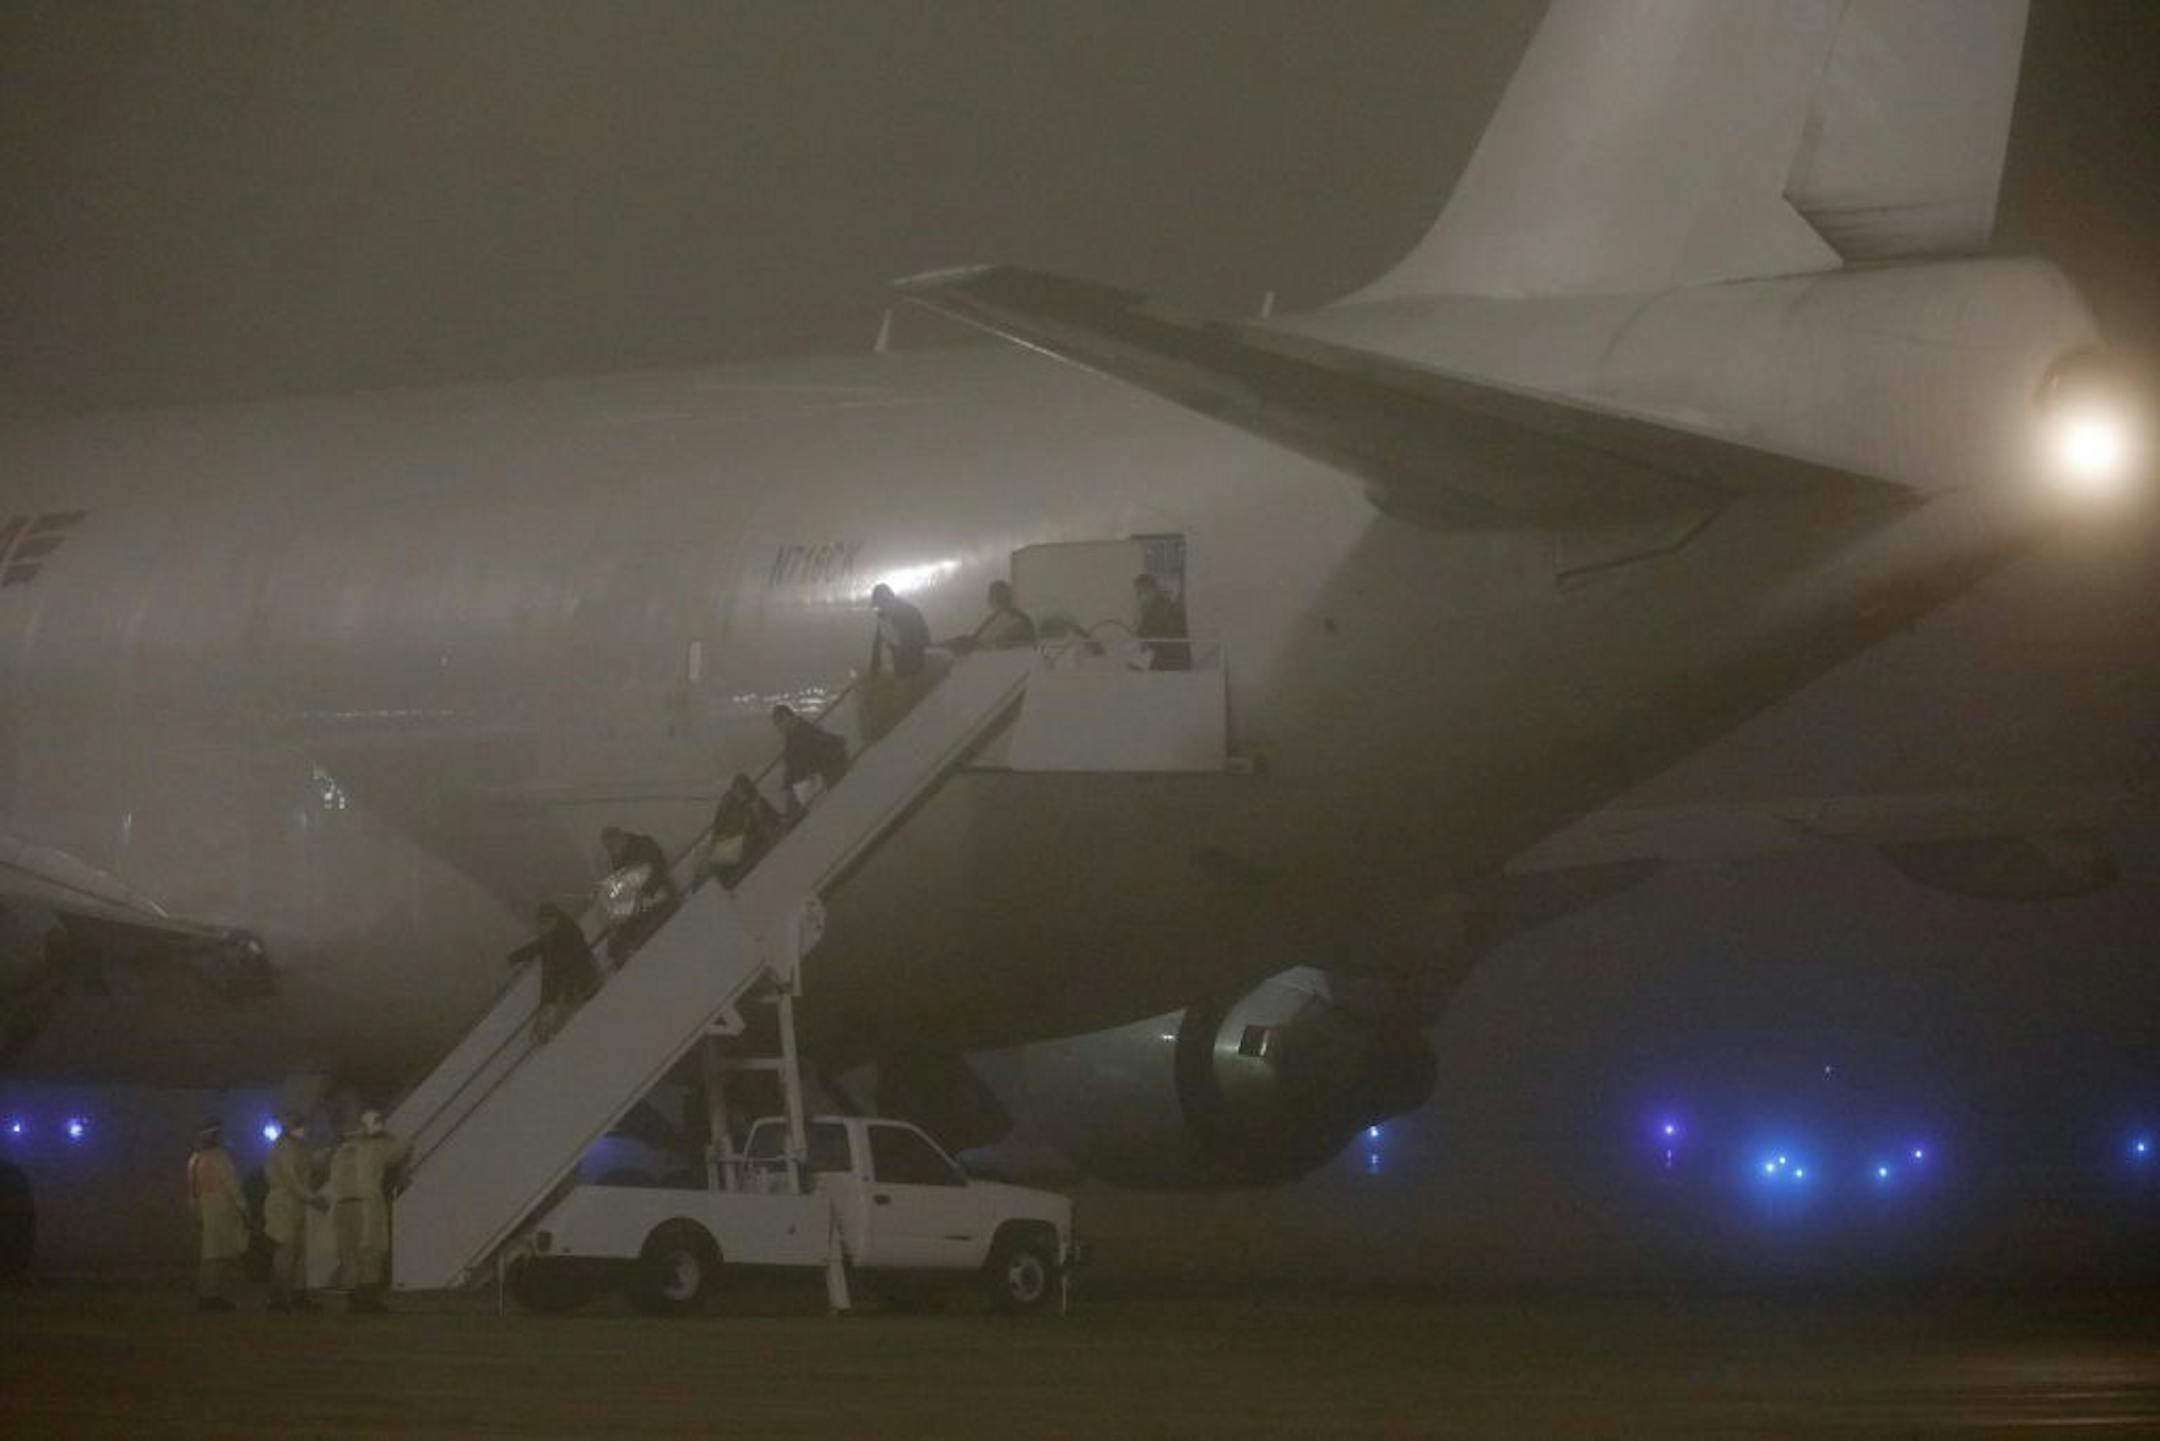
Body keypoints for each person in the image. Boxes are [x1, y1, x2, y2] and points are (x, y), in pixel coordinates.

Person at [328, 1109, 410, 1313]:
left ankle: (353, 1300)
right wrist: (385, 1135)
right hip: (366, 1205)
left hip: (341, 1206)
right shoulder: (376, 1147)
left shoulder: (341, 1151)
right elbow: (404, 1147)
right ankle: (367, 1300)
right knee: (372, 1250)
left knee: (349, 1254)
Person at [506, 902, 599, 1042]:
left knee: (562, 1001)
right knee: (552, 998)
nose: (544, 926)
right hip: (562, 981)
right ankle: (548, 1022)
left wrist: (556, 975)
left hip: (579, 979)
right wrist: (516, 957)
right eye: (542, 923)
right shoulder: (550, 936)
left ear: (555, 918)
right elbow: (536, 947)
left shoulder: (568, 931)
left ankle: (553, 1023)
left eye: (546, 921)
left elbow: (574, 956)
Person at [262, 1109, 327, 1311]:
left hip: (296, 1202)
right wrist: (314, 1198)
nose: (304, 1127)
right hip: (284, 1202)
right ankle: (280, 1297)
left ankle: (297, 1296)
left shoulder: (298, 1146)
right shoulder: (285, 1147)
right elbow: (292, 1180)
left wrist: (328, 1152)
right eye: (299, 1123)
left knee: (298, 1252)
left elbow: (308, 1165)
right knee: (286, 1251)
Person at [186, 1118, 249, 1311]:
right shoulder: (220, 1157)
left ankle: (208, 1293)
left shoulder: (195, 1159)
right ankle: (210, 1295)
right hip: (221, 1210)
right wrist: (243, 1208)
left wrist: (195, 1210)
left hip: (203, 1208)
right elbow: (232, 1184)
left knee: (210, 1253)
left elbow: (192, 1190)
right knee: (216, 1254)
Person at [598, 825, 679, 966]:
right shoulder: (620, 861)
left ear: (621, 837)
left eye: (611, 846)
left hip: (661, 901)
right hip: (647, 906)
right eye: (608, 849)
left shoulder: (643, 845)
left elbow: (658, 870)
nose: (611, 852)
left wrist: (642, 893)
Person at [866, 582, 934, 740]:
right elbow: (878, 646)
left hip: (909, 670)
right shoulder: (887, 617)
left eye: (879, 605)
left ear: (886, 601)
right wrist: (873, 671)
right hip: (896, 671)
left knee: (900, 707)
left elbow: (919, 641)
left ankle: (895, 736)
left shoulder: (906, 614)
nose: (878, 610)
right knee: (888, 704)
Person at [703, 772, 783, 889]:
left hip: (746, 848)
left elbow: (774, 819)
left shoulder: (757, 803)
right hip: (737, 850)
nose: (740, 795)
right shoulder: (731, 808)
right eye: (738, 791)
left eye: (742, 791)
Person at [771, 704, 849, 819]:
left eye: (779, 722)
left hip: (813, 780)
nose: (779, 728)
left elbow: (818, 746)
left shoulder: (802, 732)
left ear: (788, 718)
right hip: (808, 780)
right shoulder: (795, 734)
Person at [949, 579, 1036, 653]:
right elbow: (976, 638)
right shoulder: (995, 618)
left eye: (999, 595)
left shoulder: (1018, 620)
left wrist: (971, 644)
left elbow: (995, 641)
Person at [1132, 573, 1191, 671]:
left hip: (1167, 660)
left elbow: (1166, 634)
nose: (1139, 596)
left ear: (1150, 589)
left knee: (1134, 668)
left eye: (1140, 592)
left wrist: (1142, 639)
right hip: (1160, 657)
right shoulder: (1154, 606)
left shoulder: (1164, 607)